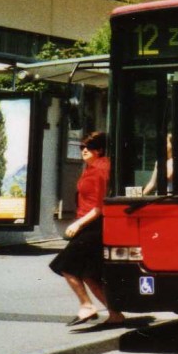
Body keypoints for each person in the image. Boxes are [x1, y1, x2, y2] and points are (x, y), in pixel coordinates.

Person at [49, 131, 124, 328]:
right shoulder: (91, 168)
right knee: (89, 274)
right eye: (82, 147)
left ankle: (87, 306)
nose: (84, 150)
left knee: (65, 266)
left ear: (99, 150)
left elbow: (99, 207)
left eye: (89, 147)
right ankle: (115, 314)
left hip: (93, 226)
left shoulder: (100, 169)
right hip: (90, 224)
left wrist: (77, 224)